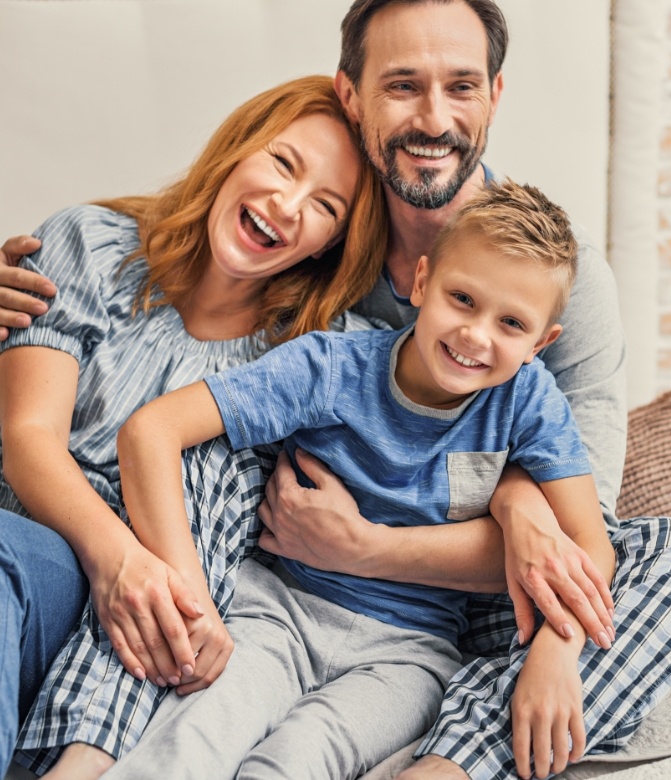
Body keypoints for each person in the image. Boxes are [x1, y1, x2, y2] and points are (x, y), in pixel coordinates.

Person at [2, 1, 671, 778]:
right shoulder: (316, 279)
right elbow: (174, 341)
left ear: (495, 95)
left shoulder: (567, 283)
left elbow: (583, 542)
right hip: (278, 580)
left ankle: (453, 760)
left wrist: (502, 508)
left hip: (447, 616)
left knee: (670, 555)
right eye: (403, 85)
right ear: (352, 95)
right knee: (216, 461)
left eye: (461, 85)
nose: (435, 117)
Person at [19, 179, 613, 780]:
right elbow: (154, 428)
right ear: (423, 281)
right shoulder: (331, 366)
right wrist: (195, 600)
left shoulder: (529, 400)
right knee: (194, 738)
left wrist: (556, 652)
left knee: (296, 761)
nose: (476, 335)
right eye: (462, 299)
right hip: (276, 608)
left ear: (542, 343)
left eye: (511, 323)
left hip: (408, 654)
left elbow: (592, 546)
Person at [0, 74, 388, 778]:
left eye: (325, 206)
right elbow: (29, 441)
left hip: (142, 629)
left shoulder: (311, 355)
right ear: (236, 150)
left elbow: (458, 412)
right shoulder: (87, 245)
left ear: (334, 243)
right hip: (43, 550)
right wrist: (118, 559)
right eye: (282, 163)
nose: (287, 205)